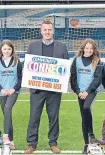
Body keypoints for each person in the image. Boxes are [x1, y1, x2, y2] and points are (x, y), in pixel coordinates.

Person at [25, 20, 69, 154]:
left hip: (54, 90)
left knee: (54, 117)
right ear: (41, 31)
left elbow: (66, 67)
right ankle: (32, 144)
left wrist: (64, 83)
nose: (47, 32)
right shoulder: (32, 46)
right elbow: (28, 66)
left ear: (53, 31)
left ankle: (53, 142)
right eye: (45, 30)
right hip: (37, 90)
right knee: (34, 117)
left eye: (50, 29)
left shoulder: (62, 47)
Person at [70, 38, 104, 154]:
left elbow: (97, 79)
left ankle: (91, 134)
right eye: (87, 48)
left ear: (94, 50)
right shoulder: (76, 60)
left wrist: (87, 91)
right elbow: (73, 78)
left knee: (86, 107)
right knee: (84, 118)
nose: (89, 50)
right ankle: (86, 144)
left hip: (91, 91)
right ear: (83, 48)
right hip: (80, 92)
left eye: (91, 48)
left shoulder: (97, 61)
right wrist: (78, 91)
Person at [0, 40, 22, 150]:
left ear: (12, 50)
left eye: (9, 49)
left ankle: (5, 136)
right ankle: (11, 141)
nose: (7, 51)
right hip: (2, 92)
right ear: (1, 50)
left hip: (13, 91)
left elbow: (20, 78)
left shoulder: (17, 61)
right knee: (7, 116)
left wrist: (14, 89)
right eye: (4, 49)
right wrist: (1, 89)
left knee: (7, 109)